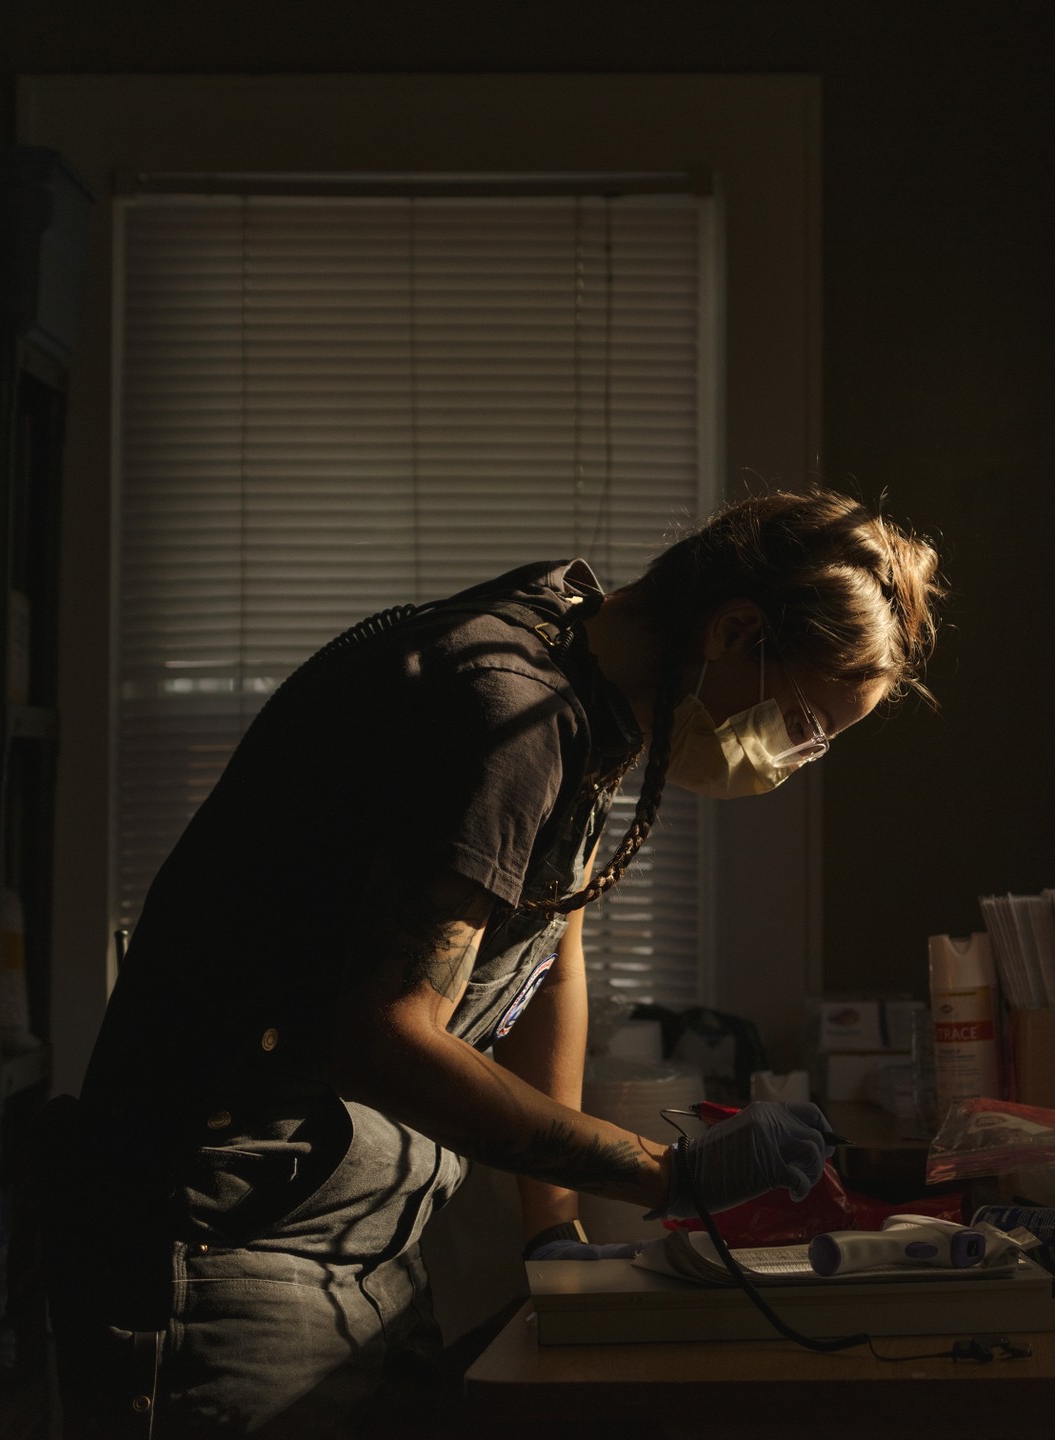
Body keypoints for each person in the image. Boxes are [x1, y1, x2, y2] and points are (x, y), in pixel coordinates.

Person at [46, 487, 943, 1436]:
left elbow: (551, 951)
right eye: (802, 724)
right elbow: (386, 1042)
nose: (791, 759)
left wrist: (552, 1226)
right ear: (734, 629)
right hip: (226, 1244)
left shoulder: (595, 680)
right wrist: (666, 1175)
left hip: (361, 1235)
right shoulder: (505, 714)